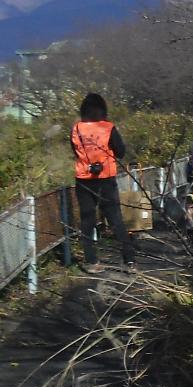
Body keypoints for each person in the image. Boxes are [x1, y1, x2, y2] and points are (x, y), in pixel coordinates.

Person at [70, 92, 134, 269]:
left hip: (84, 178)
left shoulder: (76, 129)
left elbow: (76, 152)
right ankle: (129, 260)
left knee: (87, 220)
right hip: (106, 178)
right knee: (115, 219)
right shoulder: (108, 128)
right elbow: (120, 151)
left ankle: (91, 261)